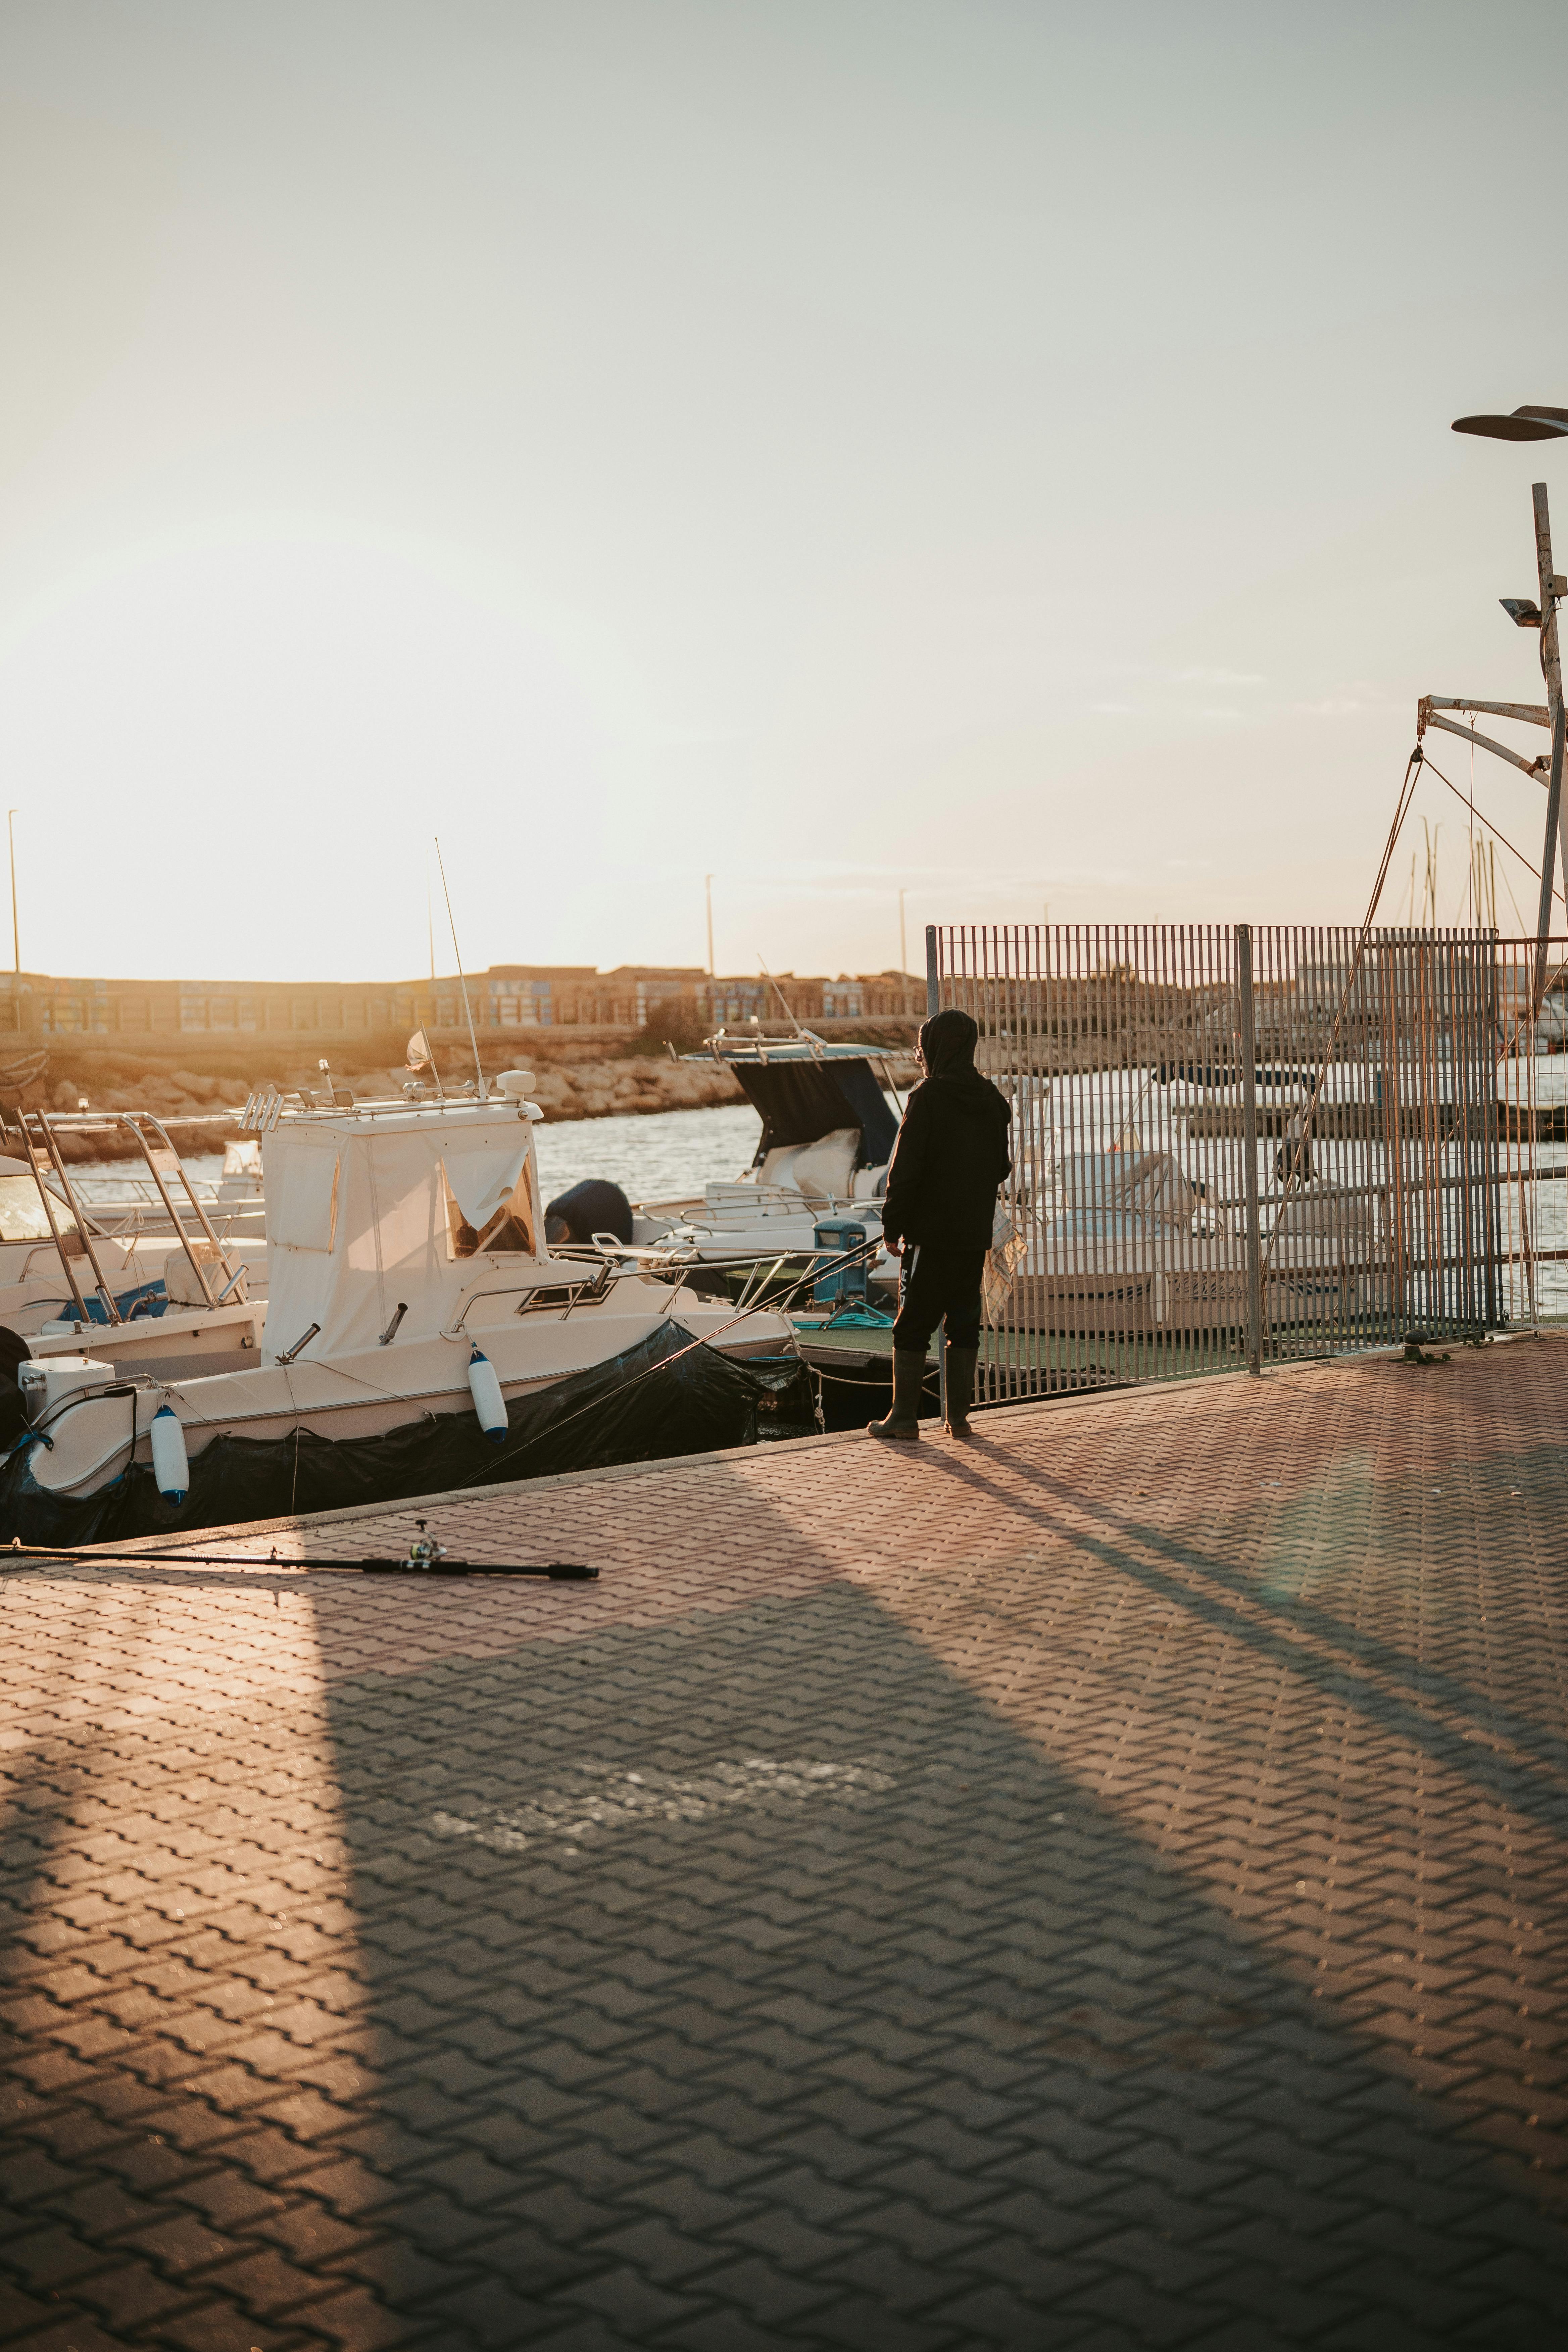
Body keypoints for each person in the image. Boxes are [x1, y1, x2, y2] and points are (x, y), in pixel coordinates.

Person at [870, 1006, 1012, 1443]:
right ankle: (960, 1419)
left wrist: (892, 1227)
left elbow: (905, 1171)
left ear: (934, 1047)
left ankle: (903, 1418)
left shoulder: (927, 1097)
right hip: (973, 1233)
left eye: (922, 1046)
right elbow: (1002, 1168)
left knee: (912, 1326)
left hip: (930, 1236)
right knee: (963, 1323)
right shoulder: (992, 1100)